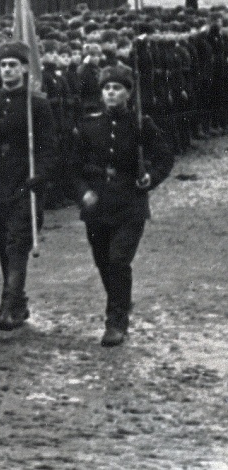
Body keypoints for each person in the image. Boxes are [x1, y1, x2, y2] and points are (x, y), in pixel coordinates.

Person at [72, 65, 173, 347]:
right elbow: (73, 167)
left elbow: (165, 157)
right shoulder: (89, 124)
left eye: (117, 88)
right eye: (107, 88)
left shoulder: (141, 124)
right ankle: (121, 302)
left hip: (130, 204)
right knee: (103, 262)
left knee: (118, 260)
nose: (111, 93)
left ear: (128, 93)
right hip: (97, 205)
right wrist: (83, 193)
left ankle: (116, 321)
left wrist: (149, 177)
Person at [0, 42, 57, 331]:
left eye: (13, 65)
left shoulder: (36, 104)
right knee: (1, 245)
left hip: (24, 184)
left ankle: (8, 305)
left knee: (18, 244)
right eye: (3, 65)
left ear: (25, 68)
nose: (7, 70)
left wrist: (39, 175)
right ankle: (18, 300)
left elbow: (50, 147)